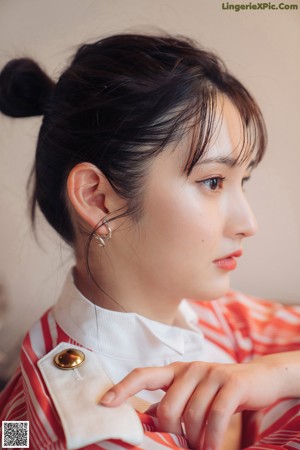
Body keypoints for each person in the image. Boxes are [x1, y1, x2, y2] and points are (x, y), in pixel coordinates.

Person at [1, 33, 300, 450]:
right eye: (213, 181)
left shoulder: (210, 316)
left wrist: (279, 374)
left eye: (241, 181)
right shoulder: (81, 427)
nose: (249, 223)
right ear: (97, 199)